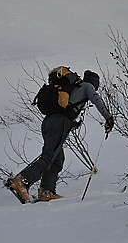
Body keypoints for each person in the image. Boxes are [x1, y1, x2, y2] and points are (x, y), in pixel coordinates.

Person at [7, 68, 115, 203]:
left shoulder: (72, 88)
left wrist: (72, 124)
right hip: (59, 123)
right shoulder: (87, 87)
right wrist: (108, 118)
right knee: (48, 157)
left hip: (48, 122)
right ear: (95, 83)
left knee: (57, 159)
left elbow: (67, 108)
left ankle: (46, 192)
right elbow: (97, 100)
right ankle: (22, 181)